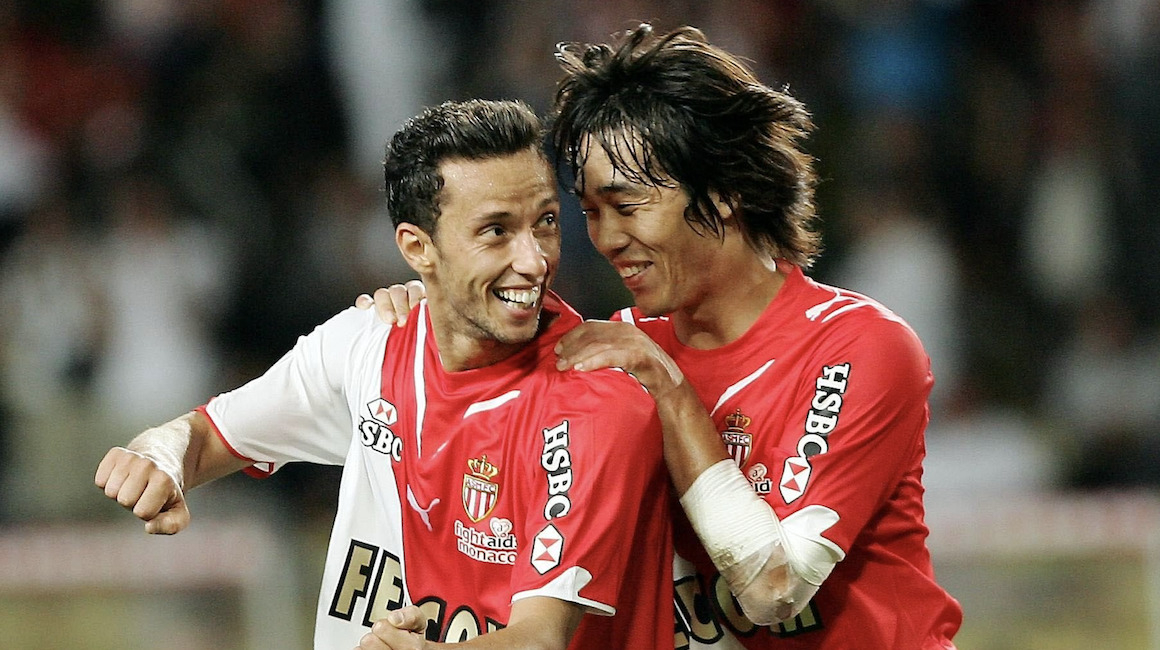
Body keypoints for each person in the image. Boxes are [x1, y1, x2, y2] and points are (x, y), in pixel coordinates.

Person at [365, 25, 962, 649]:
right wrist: (435, 301)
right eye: (590, 213)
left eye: (628, 207)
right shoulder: (610, 356)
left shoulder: (859, 347)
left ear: (722, 191)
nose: (606, 239)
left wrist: (671, 393)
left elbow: (774, 587)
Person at [95, 99, 673, 650]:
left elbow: (541, 638)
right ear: (418, 249)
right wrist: (161, 456)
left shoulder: (595, 402)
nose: (535, 259)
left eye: (545, 221)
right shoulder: (366, 344)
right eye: (496, 231)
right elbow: (204, 435)